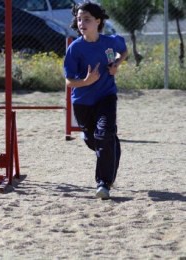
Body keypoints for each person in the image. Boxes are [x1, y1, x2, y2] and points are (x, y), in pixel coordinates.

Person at [63, 1, 128, 199]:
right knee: (97, 142)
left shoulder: (110, 41)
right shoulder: (75, 48)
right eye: (79, 19)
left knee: (104, 136)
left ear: (98, 21)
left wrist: (116, 63)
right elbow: (69, 82)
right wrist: (86, 80)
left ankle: (103, 184)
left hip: (106, 96)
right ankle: (107, 143)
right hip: (82, 102)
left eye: (87, 19)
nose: (82, 23)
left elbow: (124, 50)